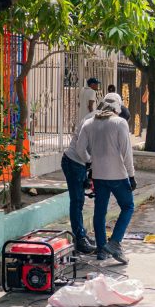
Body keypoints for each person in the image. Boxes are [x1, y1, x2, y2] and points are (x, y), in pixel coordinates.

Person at [75, 92, 135, 264]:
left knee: (100, 212)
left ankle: (102, 249)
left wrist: (91, 161)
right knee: (128, 206)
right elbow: (126, 153)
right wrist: (131, 175)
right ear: (118, 107)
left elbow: (80, 149)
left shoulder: (89, 123)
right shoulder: (120, 123)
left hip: (98, 176)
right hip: (118, 176)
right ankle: (115, 242)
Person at [61, 106, 98, 255]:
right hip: (74, 162)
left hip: (78, 163)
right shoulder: (93, 121)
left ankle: (81, 234)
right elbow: (81, 149)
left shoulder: (98, 119)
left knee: (79, 201)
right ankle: (79, 239)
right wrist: (90, 162)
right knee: (77, 201)